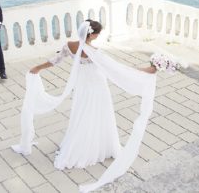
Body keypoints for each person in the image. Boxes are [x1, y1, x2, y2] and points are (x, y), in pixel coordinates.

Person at [12, 20, 157, 192]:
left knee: (82, 115)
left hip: (81, 88)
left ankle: (82, 143)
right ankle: (100, 145)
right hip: (97, 89)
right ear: (91, 34)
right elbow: (120, 69)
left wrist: (38, 67)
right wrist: (150, 70)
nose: (98, 36)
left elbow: (54, 60)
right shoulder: (95, 52)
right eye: (98, 34)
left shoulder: (69, 45)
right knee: (100, 116)